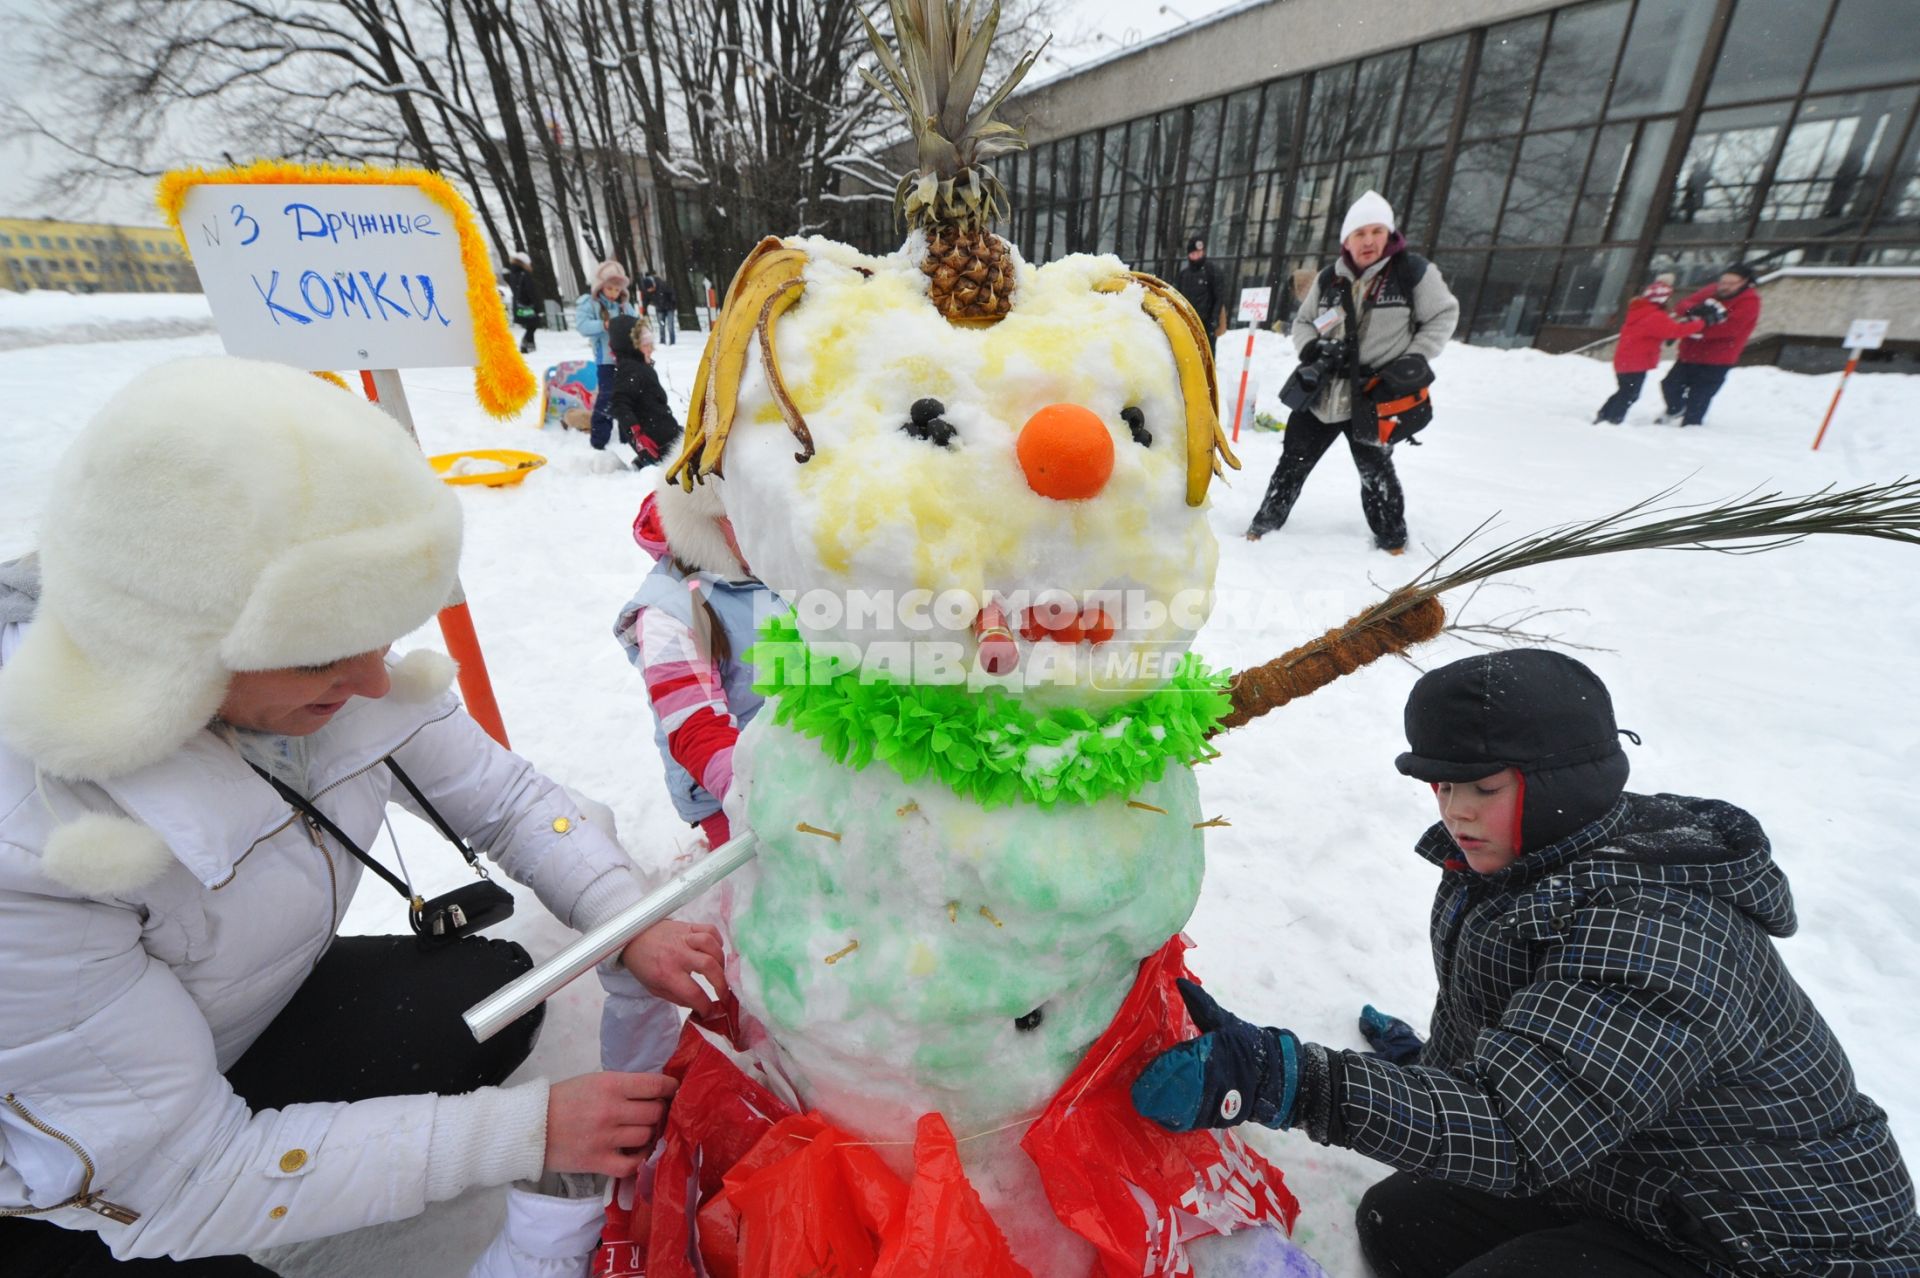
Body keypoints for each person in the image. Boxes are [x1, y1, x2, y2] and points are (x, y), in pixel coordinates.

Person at [0, 358, 728, 1274]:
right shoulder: (27, 835)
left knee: (494, 996)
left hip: (215, 1030)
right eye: (328, 658)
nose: (378, 683)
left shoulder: (318, 664)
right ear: (176, 639)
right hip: (68, 1170)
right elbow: (175, 1180)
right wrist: (523, 1132)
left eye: (385, 636)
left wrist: (627, 924)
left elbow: (507, 801)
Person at [1131, 648, 1920, 1277]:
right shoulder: (1516, 867)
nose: (1455, 809)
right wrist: (1436, 1076)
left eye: (1480, 786)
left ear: (1561, 783)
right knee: (1403, 1221)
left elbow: (1514, 1128)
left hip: (1771, 1244)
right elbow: (1525, 1078)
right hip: (1634, 1181)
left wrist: (1286, 1078)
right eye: (1440, 783)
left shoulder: (1655, 926)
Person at [1247, 191, 1459, 553]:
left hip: (1374, 393)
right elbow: (1303, 322)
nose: (1369, 240)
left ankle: (1392, 540)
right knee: (1292, 462)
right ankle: (1264, 526)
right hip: (1322, 392)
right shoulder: (1330, 278)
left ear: (1388, 234)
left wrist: (1415, 358)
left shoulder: (1413, 273)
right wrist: (1311, 347)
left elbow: (1442, 316)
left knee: (1375, 471)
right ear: (1347, 240)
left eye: (1377, 231)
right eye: (1359, 234)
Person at [614, 479, 772, 852]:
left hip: (798, 752)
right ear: (706, 523)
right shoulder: (667, 612)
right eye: (749, 519)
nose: (768, 531)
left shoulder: (771, 565)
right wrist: (761, 795)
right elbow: (696, 727)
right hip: (730, 788)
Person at [1655, 263, 1762, 427]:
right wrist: (1696, 310)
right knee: (1670, 385)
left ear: (1744, 283)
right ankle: (1676, 408)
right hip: (1689, 354)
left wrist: (1697, 330)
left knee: (1700, 397)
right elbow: (1683, 305)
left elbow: (1732, 328)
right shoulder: (1712, 290)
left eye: (1731, 283)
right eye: (1723, 282)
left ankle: (1690, 430)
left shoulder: (1750, 301)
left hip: (1717, 359)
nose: (1724, 286)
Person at [1593, 275, 1710, 424]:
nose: (1670, 301)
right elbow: (1674, 331)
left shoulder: (1641, 311)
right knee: (1629, 394)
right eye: (1668, 298)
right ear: (1662, 300)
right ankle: (1613, 419)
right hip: (1635, 363)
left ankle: (1605, 414)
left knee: (1625, 391)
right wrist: (1701, 323)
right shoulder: (1654, 316)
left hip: (1626, 360)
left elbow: (1666, 327)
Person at [576, 260, 639, 455]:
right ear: (600, 286)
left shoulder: (625, 306)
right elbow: (582, 326)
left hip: (626, 360)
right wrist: (603, 326)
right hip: (606, 362)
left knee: (627, 397)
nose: (613, 293)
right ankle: (599, 438)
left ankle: (626, 435)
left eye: (616, 289)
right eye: (609, 288)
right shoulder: (591, 304)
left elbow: (637, 327)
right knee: (607, 398)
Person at [604, 315, 682, 471]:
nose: (651, 347)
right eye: (645, 343)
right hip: (655, 440)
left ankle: (641, 464)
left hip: (666, 431)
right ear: (630, 345)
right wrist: (636, 434)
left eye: (650, 341)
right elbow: (619, 403)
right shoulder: (629, 369)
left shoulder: (639, 365)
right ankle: (642, 466)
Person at [1176, 236, 1228, 338]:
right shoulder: (1183, 275)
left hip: (1207, 323)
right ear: (1189, 255)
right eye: (1194, 254)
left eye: (1199, 253)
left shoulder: (1212, 271)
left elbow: (1219, 297)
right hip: (1188, 321)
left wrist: (1214, 319)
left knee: (1207, 351)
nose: (1197, 256)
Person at [505, 250, 541, 354]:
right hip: (528, 304)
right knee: (533, 324)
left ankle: (528, 344)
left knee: (531, 325)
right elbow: (531, 291)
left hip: (519, 305)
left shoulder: (513, 274)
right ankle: (527, 344)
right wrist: (537, 305)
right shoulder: (525, 274)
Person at [655, 276, 679, 346]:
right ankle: (669, 341)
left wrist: (672, 303)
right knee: (666, 325)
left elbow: (672, 294)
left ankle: (669, 341)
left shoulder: (663, 286)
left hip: (667, 308)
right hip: (663, 308)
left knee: (666, 325)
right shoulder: (656, 288)